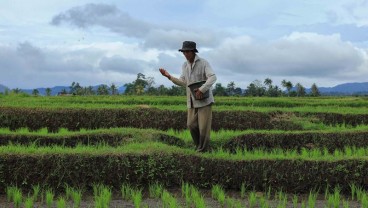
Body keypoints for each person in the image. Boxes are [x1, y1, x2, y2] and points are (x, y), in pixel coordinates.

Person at [159, 41, 217, 152]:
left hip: (204, 101)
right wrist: (169, 77)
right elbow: (183, 82)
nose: (185, 54)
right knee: (191, 125)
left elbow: (213, 77)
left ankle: (203, 150)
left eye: (187, 52)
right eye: (183, 52)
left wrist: (202, 89)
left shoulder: (203, 63)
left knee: (203, 128)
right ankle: (199, 146)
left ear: (193, 52)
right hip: (192, 101)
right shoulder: (185, 65)